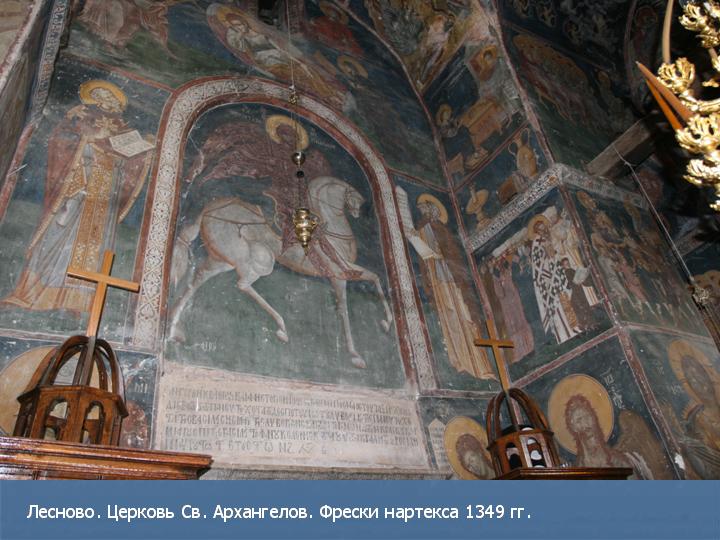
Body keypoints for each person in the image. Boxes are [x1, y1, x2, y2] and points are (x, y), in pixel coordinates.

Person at [3, 80, 153, 312]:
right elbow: (60, 140)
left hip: (106, 191)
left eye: (111, 97)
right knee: (61, 231)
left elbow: (129, 159)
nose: (109, 100)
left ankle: (79, 301)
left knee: (96, 242)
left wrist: (145, 148)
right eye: (103, 95)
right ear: (95, 99)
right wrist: (88, 141)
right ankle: (35, 293)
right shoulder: (81, 115)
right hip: (79, 183)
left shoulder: (124, 128)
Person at [406, 194, 493, 379]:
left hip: (451, 282)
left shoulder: (440, 229)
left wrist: (436, 254)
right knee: (450, 319)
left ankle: (478, 364)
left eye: (425, 209)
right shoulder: (423, 230)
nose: (423, 214)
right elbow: (426, 256)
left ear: (432, 210)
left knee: (465, 317)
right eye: (421, 211)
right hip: (438, 282)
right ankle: (460, 361)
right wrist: (416, 238)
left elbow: (450, 254)